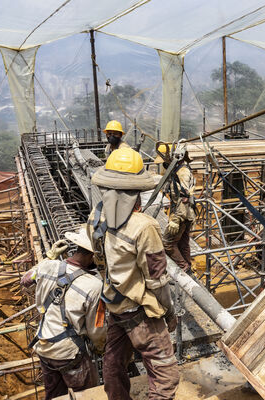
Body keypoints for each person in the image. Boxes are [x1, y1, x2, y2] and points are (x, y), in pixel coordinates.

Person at [87, 147, 179, 400]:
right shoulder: (144, 226)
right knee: (166, 375)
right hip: (139, 312)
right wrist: (169, 312)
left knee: (114, 363)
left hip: (114, 305)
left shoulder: (95, 216)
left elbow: (100, 260)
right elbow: (157, 279)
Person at [20, 228, 105, 400]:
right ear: (92, 256)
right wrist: (100, 348)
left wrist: (50, 256)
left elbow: (25, 280)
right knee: (87, 396)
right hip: (69, 354)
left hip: (44, 347)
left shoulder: (47, 266)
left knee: (54, 396)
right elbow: (96, 329)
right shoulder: (94, 286)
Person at [155, 143, 196, 273]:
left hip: (182, 214)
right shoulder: (178, 170)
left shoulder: (182, 172)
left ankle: (183, 267)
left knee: (167, 243)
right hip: (186, 214)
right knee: (183, 243)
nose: (164, 164)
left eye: (165, 160)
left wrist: (176, 219)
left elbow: (184, 198)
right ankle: (187, 267)